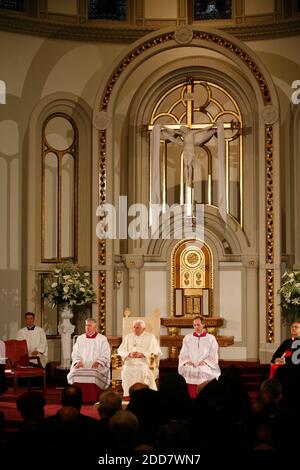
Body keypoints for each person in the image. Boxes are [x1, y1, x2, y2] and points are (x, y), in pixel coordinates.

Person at [67, 318, 111, 400]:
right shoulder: (80, 338)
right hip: (82, 365)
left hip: (97, 366)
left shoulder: (102, 339)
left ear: (95, 327)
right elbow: (75, 353)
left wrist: (98, 362)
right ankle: (75, 398)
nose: (87, 327)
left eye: (89, 325)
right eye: (86, 325)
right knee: (74, 373)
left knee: (93, 374)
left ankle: (93, 398)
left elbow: (106, 354)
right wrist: (78, 362)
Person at [178, 315, 221, 398]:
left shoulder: (210, 338)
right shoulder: (188, 338)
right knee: (188, 371)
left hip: (204, 364)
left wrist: (206, 362)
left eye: (198, 325)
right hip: (191, 364)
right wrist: (188, 361)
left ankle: (204, 398)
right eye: (194, 325)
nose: (196, 327)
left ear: (203, 325)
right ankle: (191, 398)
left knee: (204, 371)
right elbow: (183, 352)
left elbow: (213, 353)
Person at [117, 320, 161, 398]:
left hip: (143, 362)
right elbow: (120, 350)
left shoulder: (150, 337)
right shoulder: (128, 337)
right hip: (130, 362)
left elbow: (156, 351)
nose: (134, 329)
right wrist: (129, 354)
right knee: (126, 370)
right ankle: (127, 394)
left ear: (143, 329)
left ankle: (143, 394)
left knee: (142, 370)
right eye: (133, 327)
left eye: (137, 328)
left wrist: (143, 354)